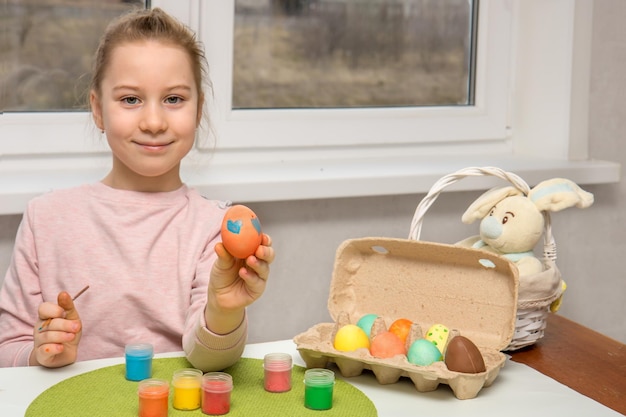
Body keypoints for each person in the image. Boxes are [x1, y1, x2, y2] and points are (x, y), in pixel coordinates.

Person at [0, 8, 274, 370]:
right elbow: (8, 351)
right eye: (130, 99)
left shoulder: (216, 228)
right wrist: (42, 353)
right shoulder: (45, 219)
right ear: (98, 111)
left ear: (198, 110)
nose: (154, 122)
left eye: (174, 99)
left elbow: (208, 360)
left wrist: (223, 309)